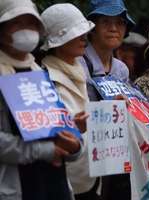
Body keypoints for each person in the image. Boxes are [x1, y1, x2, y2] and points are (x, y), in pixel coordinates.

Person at [0, 0, 81, 200]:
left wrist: (74, 140)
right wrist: (43, 151)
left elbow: (58, 130)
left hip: (55, 186)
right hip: (15, 189)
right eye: (16, 23)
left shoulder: (39, 73)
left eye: (31, 23)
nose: (25, 30)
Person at [78, 0, 135, 199]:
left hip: (114, 155)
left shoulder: (121, 69)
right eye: (105, 22)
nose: (113, 28)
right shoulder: (78, 62)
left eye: (120, 23)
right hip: (84, 156)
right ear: (91, 27)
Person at [40, 3, 96, 200]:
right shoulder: (43, 77)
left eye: (84, 32)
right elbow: (43, 131)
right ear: (57, 41)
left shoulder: (80, 70)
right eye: (76, 33)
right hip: (64, 180)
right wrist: (73, 126)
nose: (84, 37)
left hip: (90, 176)